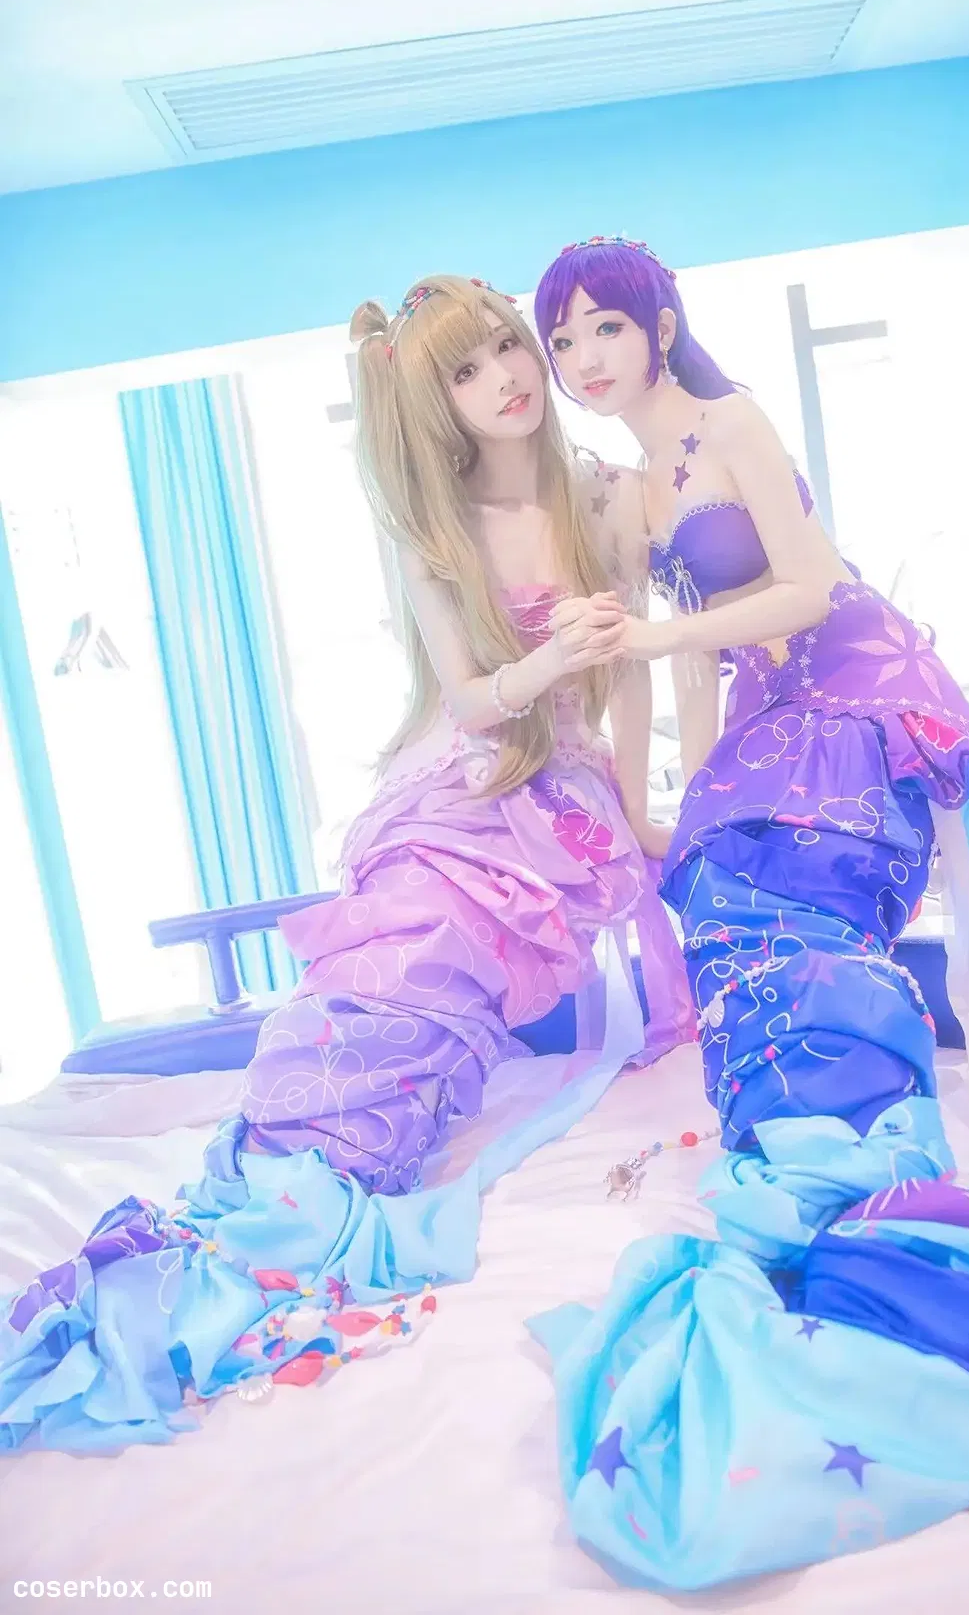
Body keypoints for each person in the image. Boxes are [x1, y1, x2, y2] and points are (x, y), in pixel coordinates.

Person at [529, 237, 969, 1591]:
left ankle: (858, 1147)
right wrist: (674, 801)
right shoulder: (625, 499)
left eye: (604, 325)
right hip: (766, 710)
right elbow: (682, 669)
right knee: (720, 892)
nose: (585, 358)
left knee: (810, 905)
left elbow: (807, 584)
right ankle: (805, 1134)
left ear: (659, 321)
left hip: (857, 679)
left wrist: (659, 640)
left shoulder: (730, 423)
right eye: (563, 342)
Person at [0, 275, 693, 1454]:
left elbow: (631, 677)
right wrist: (542, 667)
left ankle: (343, 1157)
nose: (506, 378)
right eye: (465, 371)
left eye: (506, 347)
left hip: (558, 790)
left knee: (443, 962)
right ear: (432, 404)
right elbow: (469, 698)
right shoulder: (433, 533)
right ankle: (287, 1164)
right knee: (382, 953)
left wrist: (635, 809)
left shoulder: (607, 498)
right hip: (464, 772)